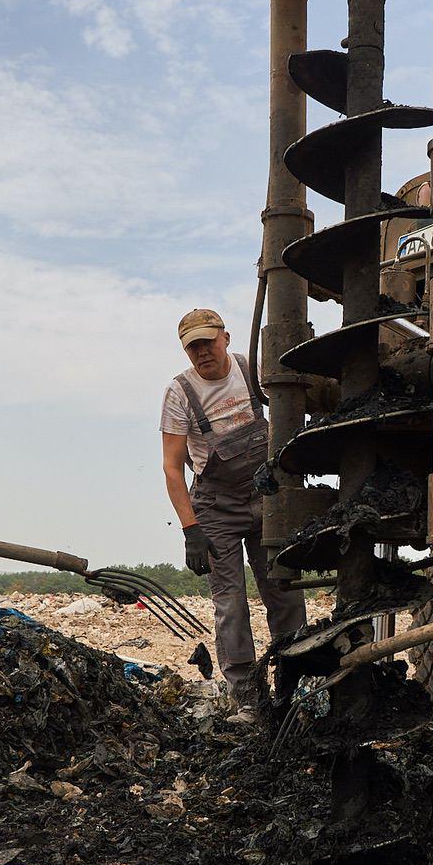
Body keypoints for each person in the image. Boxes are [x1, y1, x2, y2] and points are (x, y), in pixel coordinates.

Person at [160, 308, 306, 719]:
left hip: (265, 495)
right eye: (193, 347)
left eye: (207, 342)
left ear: (225, 337)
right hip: (215, 506)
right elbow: (172, 466)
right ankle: (248, 700)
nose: (202, 352)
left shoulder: (251, 370)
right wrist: (191, 529)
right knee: (231, 603)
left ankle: (293, 686)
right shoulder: (179, 393)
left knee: (284, 590)